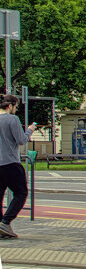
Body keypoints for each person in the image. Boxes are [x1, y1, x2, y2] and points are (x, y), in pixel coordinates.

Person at [0, 95, 37, 239]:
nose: (15, 110)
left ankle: (3, 226)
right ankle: (6, 221)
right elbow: (21, 140)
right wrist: (30, 130)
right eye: (15, 107)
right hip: (10, 163)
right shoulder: (12, 119)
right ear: (10, 106)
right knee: (21, 193)